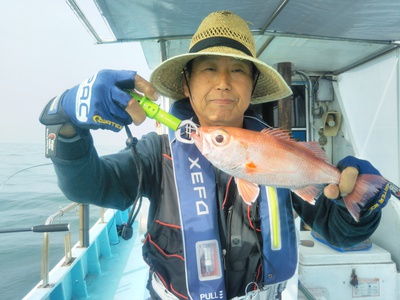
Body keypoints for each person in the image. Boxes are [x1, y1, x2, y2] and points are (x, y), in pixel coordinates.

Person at [40, 10, 390, 300]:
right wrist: (66, 123)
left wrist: (358, 205)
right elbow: (89, 187)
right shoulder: (156, 152)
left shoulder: (279, 152)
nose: (223, 81)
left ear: (252, 88)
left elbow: (340, 232)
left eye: (237, 70)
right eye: (209, 68)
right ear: (187, 85)